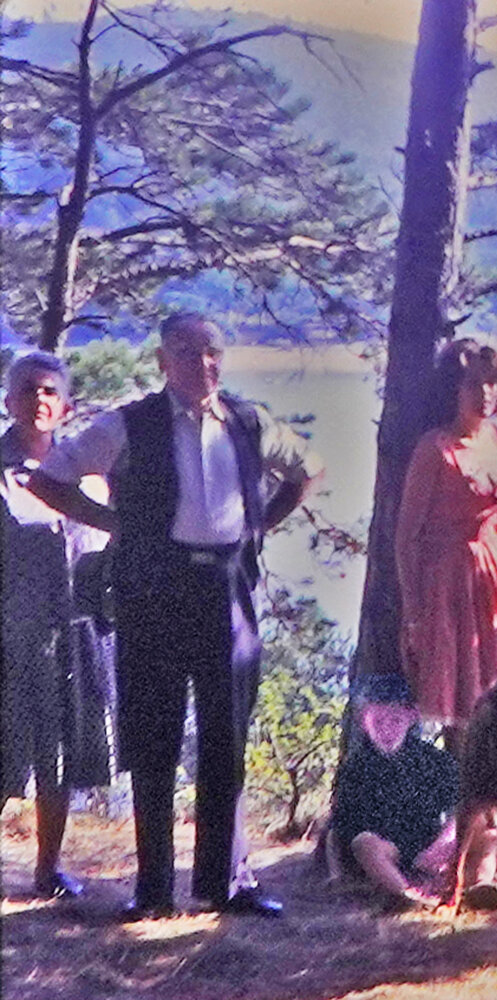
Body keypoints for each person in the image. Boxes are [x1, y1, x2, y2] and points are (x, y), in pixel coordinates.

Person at [29, 312, 323, 921]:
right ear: (164, 362)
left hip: (227, 589)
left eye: (212, 352)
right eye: (188, 353)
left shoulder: (248, 422)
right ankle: (155, 889)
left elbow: (307, 469)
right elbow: (52, 478)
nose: (203, 364)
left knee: (226, 737)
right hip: (152, 593)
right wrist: (115, 524)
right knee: (153, 738)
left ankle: (225, 884)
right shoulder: (128, 424)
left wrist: (260, 526)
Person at [395, 338, 497, 889]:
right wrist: (414, 613)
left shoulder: (495, 438)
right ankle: (479, 850)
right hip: (449, 588)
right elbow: (406, 538)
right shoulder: (434, 450)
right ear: (451, 389)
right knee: (466, 719)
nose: (485, 393)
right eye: (473, 383)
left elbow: (494, 520)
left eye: (492, 382)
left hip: (494, 582)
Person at [2, 352, 115, 899]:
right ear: (8, 401)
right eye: (28, 389)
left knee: (62, 753)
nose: (38, 399)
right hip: (11, 630)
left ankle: (47, 870)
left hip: (76, 632)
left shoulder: (89, 477)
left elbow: (105, 551)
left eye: (49, 391)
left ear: (66, 407)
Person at [327, 673, 469, 910]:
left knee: (485, 833)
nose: (386, 729)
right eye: (378, 721)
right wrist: (338, 873)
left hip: (432, 843)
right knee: (364, 843)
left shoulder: (435, 760)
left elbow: (463, 805)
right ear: (364, 721)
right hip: (389, 849)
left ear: (411, 718)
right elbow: (342, 826)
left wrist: (445, 840)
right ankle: (408, 895)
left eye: (395, 720)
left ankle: (479, 886)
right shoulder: (356, 767)